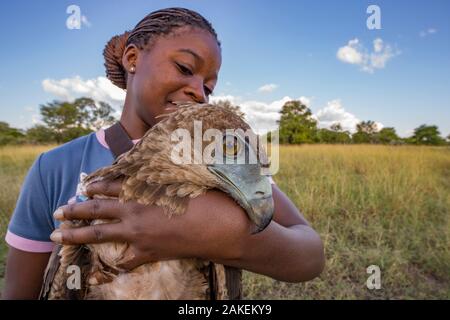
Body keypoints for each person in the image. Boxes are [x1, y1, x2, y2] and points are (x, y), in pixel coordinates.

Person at [2, 7, 325, 299]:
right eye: (185, 68)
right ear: (132, 58)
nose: (198, 92)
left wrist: (221, 232)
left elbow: (309, 258)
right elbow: (21, 291)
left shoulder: (221, 166)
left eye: (209, 87)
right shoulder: (55, 165)